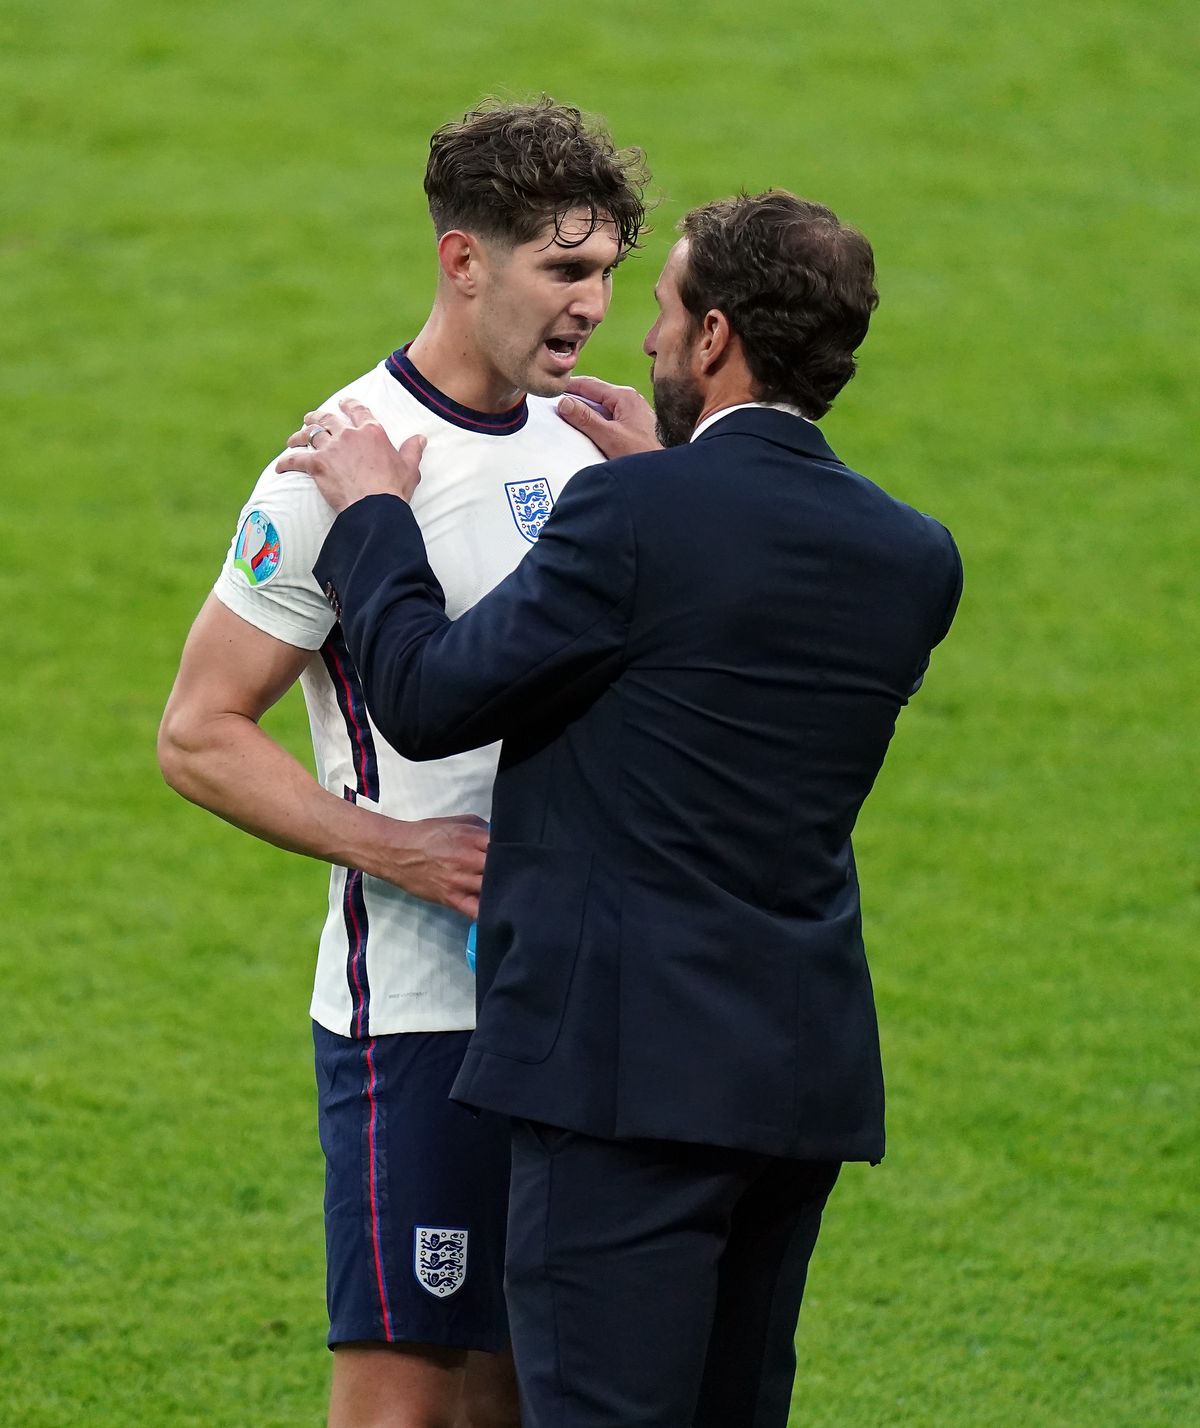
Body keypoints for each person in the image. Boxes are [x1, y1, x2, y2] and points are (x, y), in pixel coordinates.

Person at [281, 190, 963, 1428]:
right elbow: (720, 666)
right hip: (793, 1085)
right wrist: (664, 489)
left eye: (659, 310)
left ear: (714, 342)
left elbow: (430, 699)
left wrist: (376, 510)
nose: (633, 335)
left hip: (620, 1087)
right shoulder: (913, 556)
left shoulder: (634, 515)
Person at [157, 98, 648, 1428]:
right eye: (564, 268)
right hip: (420, 1025)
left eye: (607, 272)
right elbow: (199, 733)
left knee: (526, 1397)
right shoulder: (338, 460)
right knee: (401, 1401)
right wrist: (402, 850)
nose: (595, 304)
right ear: (463, 259)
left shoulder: (595, 444)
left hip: (578, 1011)